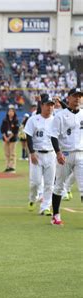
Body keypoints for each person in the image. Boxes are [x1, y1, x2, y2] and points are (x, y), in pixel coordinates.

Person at [49, 87, 83, 225]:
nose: (78, 98)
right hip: (65, 155)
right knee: (59, 186)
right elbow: (53, 136)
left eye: (80, 96)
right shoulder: (60, 116)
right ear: (68, 98)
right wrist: (58, 153)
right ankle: (56, 215)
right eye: (75, 96)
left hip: (81, 154)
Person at [24, 94, 56, 216]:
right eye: (48, 105)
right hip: (37, 154)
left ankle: (45, 207)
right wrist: (31, 153)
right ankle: (32, 198)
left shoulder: (55, 120)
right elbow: (28, 136)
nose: (50, 107)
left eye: (52, 105)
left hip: (51, 154)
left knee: (49, 184)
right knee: (35, 182)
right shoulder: (33, 119)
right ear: (42, 105)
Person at [0, 106, 19, 172]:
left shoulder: (16, 120)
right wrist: (5, 137)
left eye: (12, 111)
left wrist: (9, 137)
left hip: (13, 139)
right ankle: (7, 166)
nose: (10, 113)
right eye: (9, 111)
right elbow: (2, 129)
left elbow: (15, 131)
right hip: (5, 139)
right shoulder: (5, 120)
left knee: (12, 153)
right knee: (7, 153)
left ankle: (12, 167)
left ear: (14, 113)